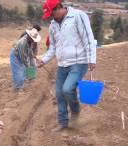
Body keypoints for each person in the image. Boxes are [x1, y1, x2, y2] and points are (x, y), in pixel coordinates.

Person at [38, 0, 97, 132]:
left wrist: (92, 59)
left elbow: (88, 38)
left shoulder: (78, 16)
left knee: (67, 89)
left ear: (58, 8)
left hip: (78, 62)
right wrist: (44, 60)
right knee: (59, 94)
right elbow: (53, 47)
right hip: (62, 64)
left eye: (51, 14)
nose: (51, 18)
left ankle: (75, 111)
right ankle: (63, 122)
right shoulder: (53, 25)